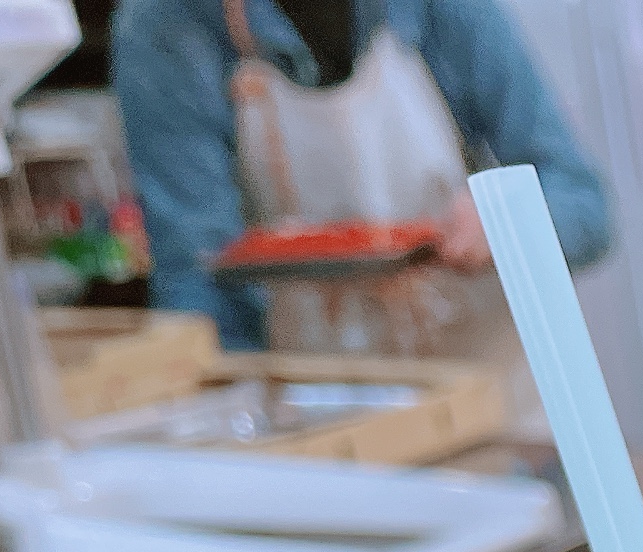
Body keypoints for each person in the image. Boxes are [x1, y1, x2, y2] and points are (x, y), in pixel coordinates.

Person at [112, 0, 611, 352]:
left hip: (487, 399)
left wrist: (507, 222)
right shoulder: (167, 25)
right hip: (317, 413)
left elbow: (584, 203)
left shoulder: (439, 10)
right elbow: (198, 283)